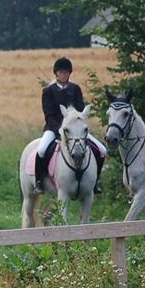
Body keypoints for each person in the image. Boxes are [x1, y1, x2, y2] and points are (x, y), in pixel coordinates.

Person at [34, 57, 106, 194]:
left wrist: (77, 127)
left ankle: (95, 182)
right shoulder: (48, 91)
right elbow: (49, 115)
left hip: (76, 131)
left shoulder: (75, 89)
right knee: (42, 150)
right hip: (53, 129)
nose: (63, 75)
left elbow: (80, 110)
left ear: (69, 73)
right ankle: (39, 182)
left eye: (66, 72)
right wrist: (60, 130)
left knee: (101, 150)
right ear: (56, 73)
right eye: (61, 72)